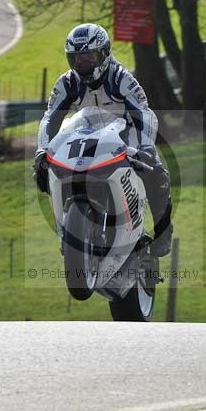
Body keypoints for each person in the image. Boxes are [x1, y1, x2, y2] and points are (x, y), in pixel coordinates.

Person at [33, 23, 173, 256]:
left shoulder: (121, 79)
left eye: (88, 57)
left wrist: (146, 147)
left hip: (124, 137)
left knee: (156, 172)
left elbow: (144, 112)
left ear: (104, 53)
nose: (81, 64)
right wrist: (42, 150)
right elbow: (50, 118)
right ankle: (66, 232)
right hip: (85, 136)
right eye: (75, 58)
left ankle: (163, 232)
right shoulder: (67, 83)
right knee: (43, 172)